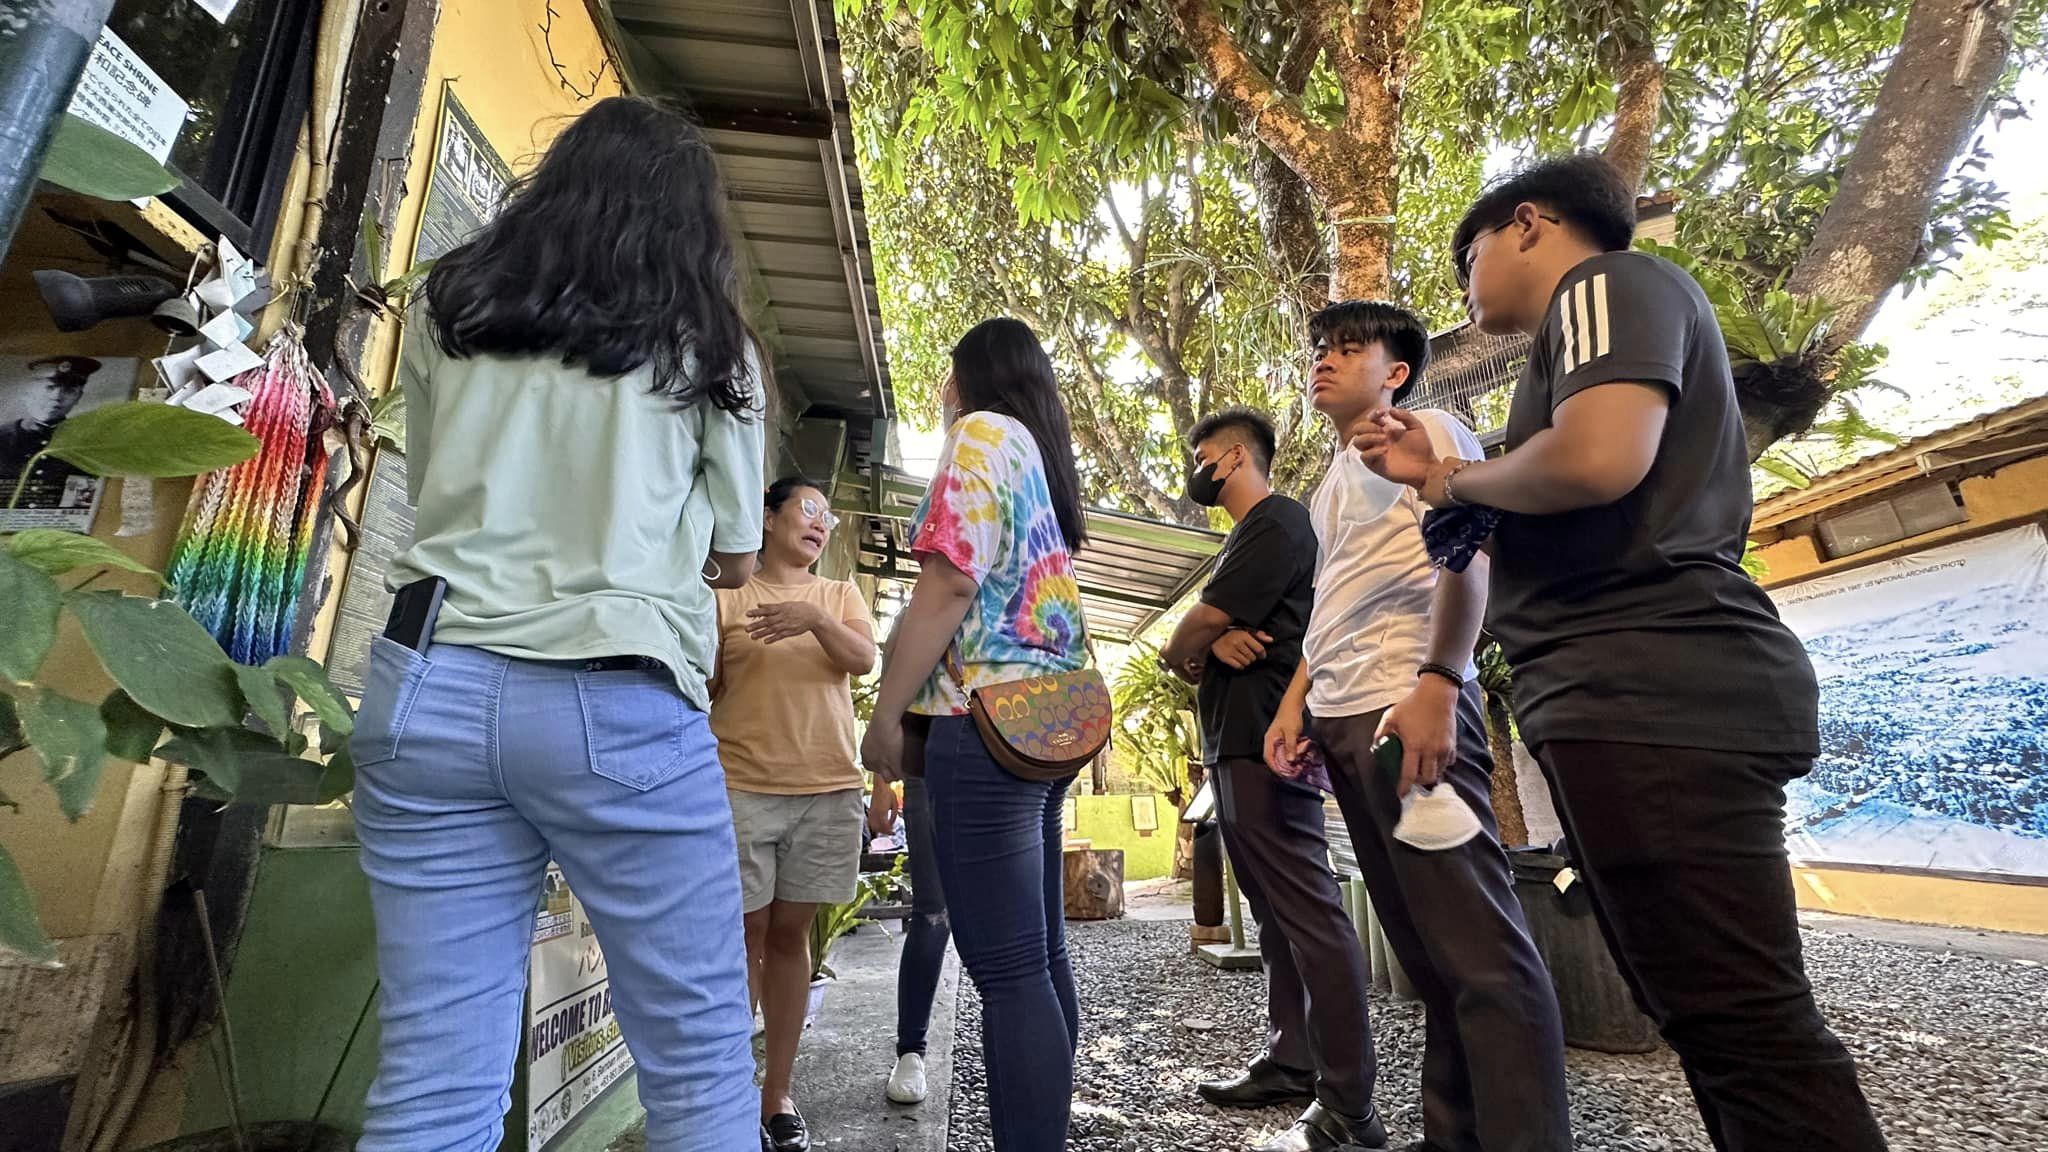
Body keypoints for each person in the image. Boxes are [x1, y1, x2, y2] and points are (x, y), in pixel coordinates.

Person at [1355, 153, 1887, 1152]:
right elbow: (1551, 488)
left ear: (1525, 225)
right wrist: (1441, 477)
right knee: (1712, 1024)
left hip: (1655, 691)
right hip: (1635, 697)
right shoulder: (1579, 338)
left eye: (1465, 259)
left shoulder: (1606, 283)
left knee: (1745, 1029)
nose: (1466, 289)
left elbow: (1597, 457)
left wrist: (1456, 483)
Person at [348, 97, 765, 1152]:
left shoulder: (454, 306)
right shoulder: (711, 347)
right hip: (615, 696)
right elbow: (736, 552)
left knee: (433, 1087)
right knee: (698, 1065)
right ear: (691, 225)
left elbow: (436, 479)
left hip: (431, 680)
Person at [1265, 302, 1571, 1152]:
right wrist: (1299, 704)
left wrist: (1441, 677)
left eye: (1349, 347)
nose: (1325, 359)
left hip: (1411, 708)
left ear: (1396, 371)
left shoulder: (1429, 429)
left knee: (1482, 960)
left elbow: (1468, 552)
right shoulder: (1333, 479)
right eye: (1320, 346)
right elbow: (1335, 602)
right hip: (1347, 716)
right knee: (1430, 961)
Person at [858, 317, 1090, 1152]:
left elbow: (950, 585)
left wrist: (884, 714)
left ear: (969, 376)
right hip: (1048, 725)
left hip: (983, 723)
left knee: (1008, 972)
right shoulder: (1037, 453)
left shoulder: (978, 435)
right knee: (1040, 958)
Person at [1157, 408, 1386, 1152]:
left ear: (1229, 459)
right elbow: (1188, 645)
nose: (1195, 469)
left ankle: (1349, 1100)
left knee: (1308, 909)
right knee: (1276, 911)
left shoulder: (1276, 521)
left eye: (1200, 457)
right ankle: (1294, 1059)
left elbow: (1189, 632)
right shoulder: (1245, 537)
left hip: (1268, 740)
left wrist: (1203, 633)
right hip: (1236, 742)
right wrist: (1208, 639)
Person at [712, 476, 878, 1152]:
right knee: (742, 937)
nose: (820, 524)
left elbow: (864, 659)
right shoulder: (726, 598)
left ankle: (776, 1094)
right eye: (807, 510)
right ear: (769, 516)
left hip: (827, 787)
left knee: (788, 938)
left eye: (827, 517)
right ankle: (723, 1092)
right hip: (740, 786)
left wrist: (813, 619)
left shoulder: (838, 595)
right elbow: (707, 687)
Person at [867, 717, 950, 1106]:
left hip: (1023, 745)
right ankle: (911, 1050)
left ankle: (1034, 1059)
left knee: (1023, 924)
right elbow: (901, 665)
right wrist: (883, 781)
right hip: (934, 749)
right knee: (933, 914)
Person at [0, 355, 98, 481]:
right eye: (49, 387)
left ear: (78, 397)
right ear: (27, 391)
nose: (57, 396)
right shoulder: (2, 437)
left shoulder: (89, 443)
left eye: (70, 390)